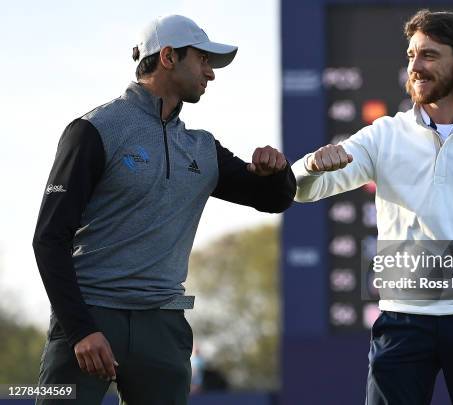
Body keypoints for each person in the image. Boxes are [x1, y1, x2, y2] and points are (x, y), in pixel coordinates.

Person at [32, 14, 296, 405]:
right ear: (169, 56)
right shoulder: (93, 130)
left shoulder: (202, 148)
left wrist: (277, 172)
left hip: (163, 326)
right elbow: (48, 238)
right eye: (203, 60)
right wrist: (79, 329)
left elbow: (274, 199)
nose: (210, 73)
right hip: (90, 319)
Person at [292, 9, 453, 405]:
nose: (414, 66)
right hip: (402, 321)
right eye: (411, 55)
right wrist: (310, 167)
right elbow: (304, 190)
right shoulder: (383, 135)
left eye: (429, 55)